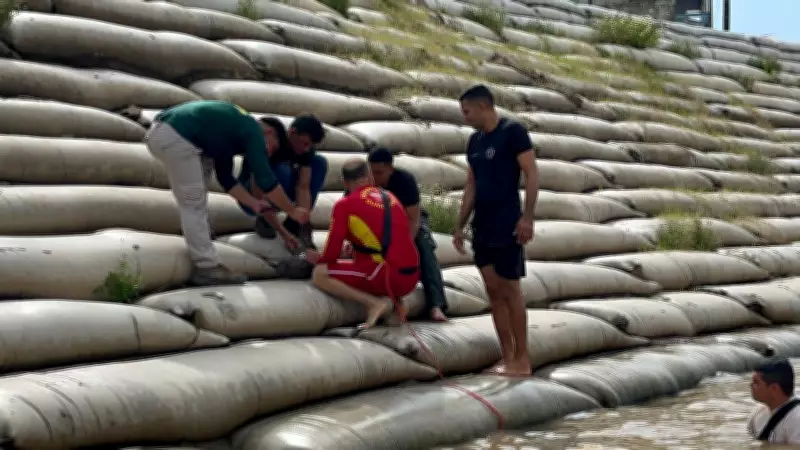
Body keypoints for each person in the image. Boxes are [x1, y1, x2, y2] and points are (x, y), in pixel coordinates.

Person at [144, 100, 309, 286]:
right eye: (273, 147)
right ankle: (206, 267)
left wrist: (254, 203)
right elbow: (265, 179)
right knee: (193, 204)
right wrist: (292, 211)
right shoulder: (252, 129)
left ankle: (202, 243)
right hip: (177, 136)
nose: (268, 153)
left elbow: (226, 179)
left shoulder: (230, 133)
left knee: (198, 198)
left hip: (172, 134)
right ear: (270, 132)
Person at [453, 84, 539, 378]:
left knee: (510, 288)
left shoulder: (512, 131)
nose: (464, 117)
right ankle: (507, 357)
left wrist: (527, 217)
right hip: (483, 223)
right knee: (492, 288)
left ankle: (522, 358)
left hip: (507, 220)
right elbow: (471, 184)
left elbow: (531, 173)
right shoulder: (474, 141)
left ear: (483, 106)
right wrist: (460, 224)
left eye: (466, 112)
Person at [304, 158, 420, 329]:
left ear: (344, 182)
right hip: (412, 274)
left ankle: (373, 303)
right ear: (370, 178)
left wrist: (317, 258)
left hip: (388, 275)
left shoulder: (344, 205)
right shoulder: (390, 197)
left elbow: (331, 254)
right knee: (376, 258)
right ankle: (396, 305)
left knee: (320, 273)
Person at [367, 147, 449, 322]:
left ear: (391, 168)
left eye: (380, 172)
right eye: (372, 172)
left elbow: (414, 219)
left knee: (424, 247)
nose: (375, 177)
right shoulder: (364, 181)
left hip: (407, 221)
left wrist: (405, 245)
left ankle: (436, 305)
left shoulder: (404, 181)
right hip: (377, 221)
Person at [239, 115, 327, 250]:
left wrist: (302, 219)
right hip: (252, 196)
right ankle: (265, 221)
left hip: (280, 194)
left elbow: (303, 187)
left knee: (319, 163)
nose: (306, 149)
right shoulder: (272, 143)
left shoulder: (306, 151)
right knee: (283, 170)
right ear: (292, 133)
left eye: (310, 145)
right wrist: (282, 232)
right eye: (304, 143)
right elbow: (258, 186)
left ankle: (294, 225)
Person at [747, 358, 800, 444]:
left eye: (756, 382)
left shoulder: (797, 420)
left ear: (774, 389)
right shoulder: (758, 412)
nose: (750, 385)